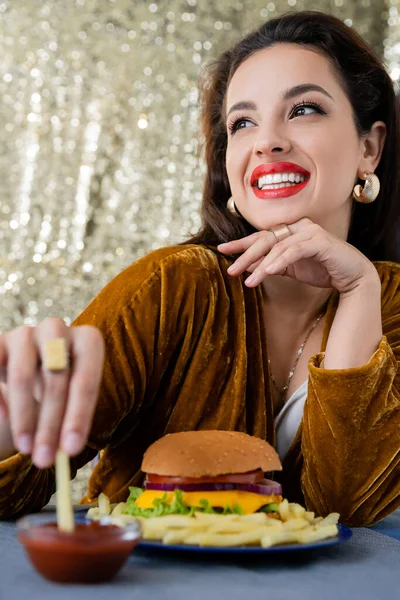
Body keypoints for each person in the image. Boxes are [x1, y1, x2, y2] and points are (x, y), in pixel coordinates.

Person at [0, 10, 399, 526]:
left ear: (369, 147)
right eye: (242, 122)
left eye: (303, 109)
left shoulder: (388, 299)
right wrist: (14, 416)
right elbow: (17, 480)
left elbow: (352, 507)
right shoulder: (172, 285)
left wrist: (358, 287)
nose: (266, 141)